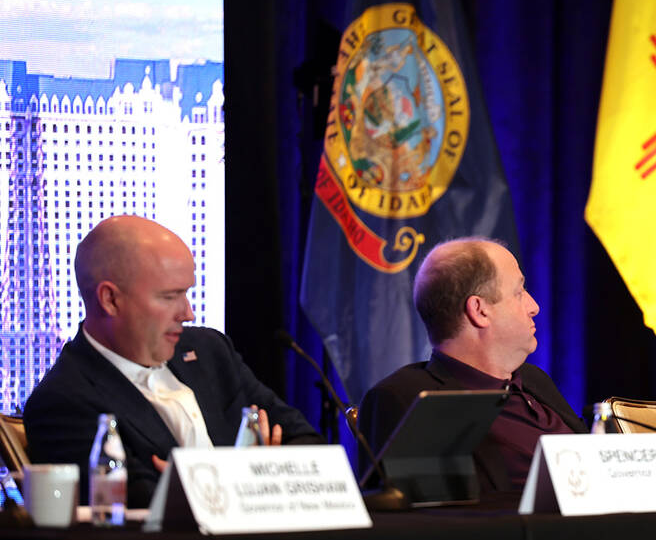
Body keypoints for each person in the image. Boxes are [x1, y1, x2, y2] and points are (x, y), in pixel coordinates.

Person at [24, 216, 322, 507]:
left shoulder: (210, 352)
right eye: (170, 297)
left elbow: (310, 447)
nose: (188, 313)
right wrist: (257, 477)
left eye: (187, 293)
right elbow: (141, 504)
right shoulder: (62, 401)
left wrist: (211, 481)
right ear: (110, 300)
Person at [358, 238, 585, 491]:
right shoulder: (407, 399)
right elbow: (425, 519)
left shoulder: (534, 380)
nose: (534, 307)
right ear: (479, 310)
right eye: (519, 293)